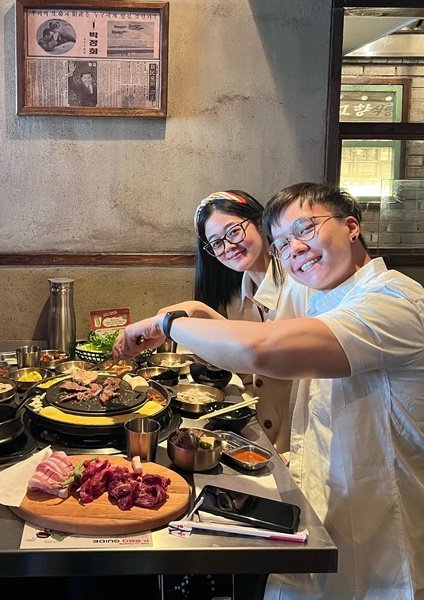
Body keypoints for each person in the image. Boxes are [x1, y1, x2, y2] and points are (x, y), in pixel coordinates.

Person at [114, 183, 424, 599]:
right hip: (329, 499)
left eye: (306, 229)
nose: (294, 248)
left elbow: (261, 349)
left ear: (351, 226)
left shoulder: (393, 301)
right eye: (283, 242)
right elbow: (260, 335)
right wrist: (187, 313)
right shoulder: (322, 297)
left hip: (384, 522)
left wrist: (163, 324)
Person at [151, 190, 302, 452]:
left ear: (259, 221)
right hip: (260, 438)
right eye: (217, 243)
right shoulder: (236, 297)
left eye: (234, 232)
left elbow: (263, 350)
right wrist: (196, 309)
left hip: (298, 443)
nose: (228, 247)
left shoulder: (299, 285)